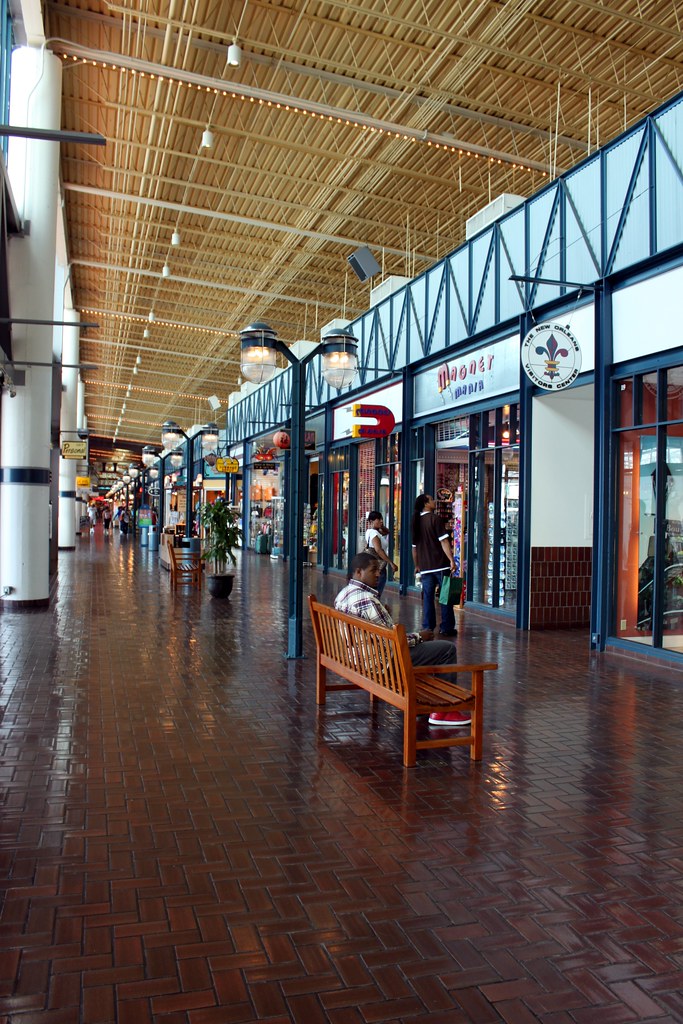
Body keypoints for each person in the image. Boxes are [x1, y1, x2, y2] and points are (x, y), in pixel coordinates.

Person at [334, 551, 469, 727]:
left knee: (427, 653)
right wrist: (420, 637)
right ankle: (444, 710)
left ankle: (423, 704)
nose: (378, 574)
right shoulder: (368, 601)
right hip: (380, 663)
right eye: (373, 570)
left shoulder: (343, 595)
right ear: (359, 572)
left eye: (379, 570)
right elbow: (394, 641)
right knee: (446, 649)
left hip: (356, 659)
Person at [411, 493, 457, 637]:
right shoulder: (435, 519)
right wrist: (451, 559)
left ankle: (428, 627)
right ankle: (446, 627)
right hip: (441, 564)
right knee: (445, 597)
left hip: (425, 567)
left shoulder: (415, 522)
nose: (434, 501)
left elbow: (414, 548)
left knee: (428, 597)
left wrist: (417, 565)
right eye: (431, 500)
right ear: (425, 503)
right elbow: (444, 542)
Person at [365, 510, 398, 598]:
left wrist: (380, 525)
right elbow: (379, 550)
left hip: (375, 566)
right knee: (376, 593)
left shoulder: (370, 532)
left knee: (374, 592)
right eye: (378, 519)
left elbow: (387, 532)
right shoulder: (374, 533)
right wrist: (391, 563)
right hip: (379, 567)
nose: (381, 521)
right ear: (371, 521)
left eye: (381, 519)